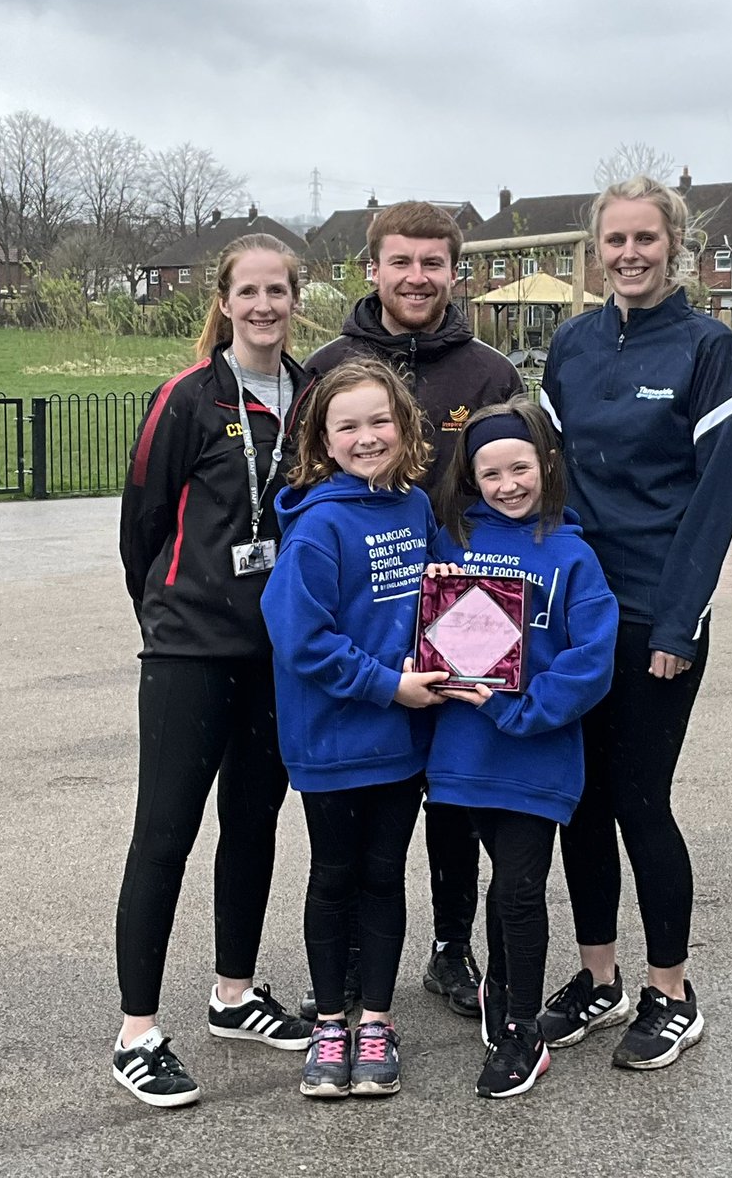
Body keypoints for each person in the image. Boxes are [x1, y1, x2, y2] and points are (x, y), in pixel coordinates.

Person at [537, 176, 732, 1070]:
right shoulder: (571, 347)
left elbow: (715, 498)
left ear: (675, 247)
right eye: (614, 242)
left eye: (645, 240)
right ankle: (599, 977)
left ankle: (671, 990)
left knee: (638, 801)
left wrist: (676, 625)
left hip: (656, 618)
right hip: (577, 615)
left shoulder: (707, 350)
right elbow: (545, 482)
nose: (629, 255)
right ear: (597, 252)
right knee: (578, 804)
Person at [303, 200, 523, 1019]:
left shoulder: (488, 371)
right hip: (368, 624)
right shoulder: (327, 364)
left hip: (464, 618)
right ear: (373, 269)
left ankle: (448, 946)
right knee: (365, 817)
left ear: (454, 272)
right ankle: (351, 979)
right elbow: (303, 485)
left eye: (433, 263)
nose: (416, 277)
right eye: (401, 261)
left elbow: (512, 479)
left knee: (456, 797)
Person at [113, 233, 315, 1109]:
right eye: (249, 291)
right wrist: (168, 610)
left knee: (253, 823)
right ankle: (136, 1032)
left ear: (294, 299)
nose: (264, 305)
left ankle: (234, 993)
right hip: (191, 650)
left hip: (276, 656)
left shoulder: (311, 398)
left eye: (278, 290)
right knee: (164, 832)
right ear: (225, 301)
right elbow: (141, 525)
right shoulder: (187, 398)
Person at [260, 356, 449, 1098]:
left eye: (381, 421)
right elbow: (301, 640)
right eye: (349, 426)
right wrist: (387, 686)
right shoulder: (316, 528)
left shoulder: (415, 509)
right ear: (323, 440)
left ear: (404, 428)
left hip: (402, 739)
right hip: (335, 740)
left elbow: (442, 596)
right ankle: (330, 1022)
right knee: (335, 878)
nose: (367, 436)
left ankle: (377, 1020)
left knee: (383, 877)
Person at [426, 399, 617, 1098]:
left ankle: (521, 1032)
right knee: (498, 877)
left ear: (545, 466)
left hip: (536, 752)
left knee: (518, 885)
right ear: (470, 478)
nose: (507, 484)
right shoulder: (452, 545)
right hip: (463, 751)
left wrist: (526, 710)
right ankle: (501, 987)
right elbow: (429, 627)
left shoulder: (574, 556)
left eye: (519, 467)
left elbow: (592, 659)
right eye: (489, 472)